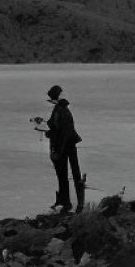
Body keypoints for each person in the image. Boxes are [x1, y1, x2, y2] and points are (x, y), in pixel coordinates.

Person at [45, 84, 85, 213]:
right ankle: (74, 203)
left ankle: (68, 203)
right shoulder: (64, 109)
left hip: (63, 146)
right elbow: (59, 127)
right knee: (74, 173)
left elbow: (59, 130)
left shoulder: (59, 110)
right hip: (70, 144)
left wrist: (50, 135)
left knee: (63, 174)